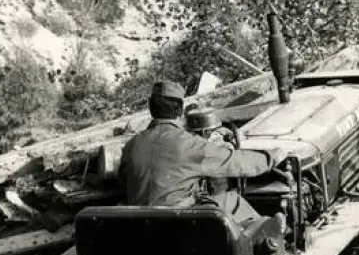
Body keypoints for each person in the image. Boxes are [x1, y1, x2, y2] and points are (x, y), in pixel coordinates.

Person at [118, 80, 287, 226]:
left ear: (151, 108)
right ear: (180, 110)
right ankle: (271, 236)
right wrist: (271, 157)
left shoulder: (132, 145)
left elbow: (124, 178)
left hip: (139, 224)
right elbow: (235, 162)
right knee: (232, 200)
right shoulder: (189, 144)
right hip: (179, 223)